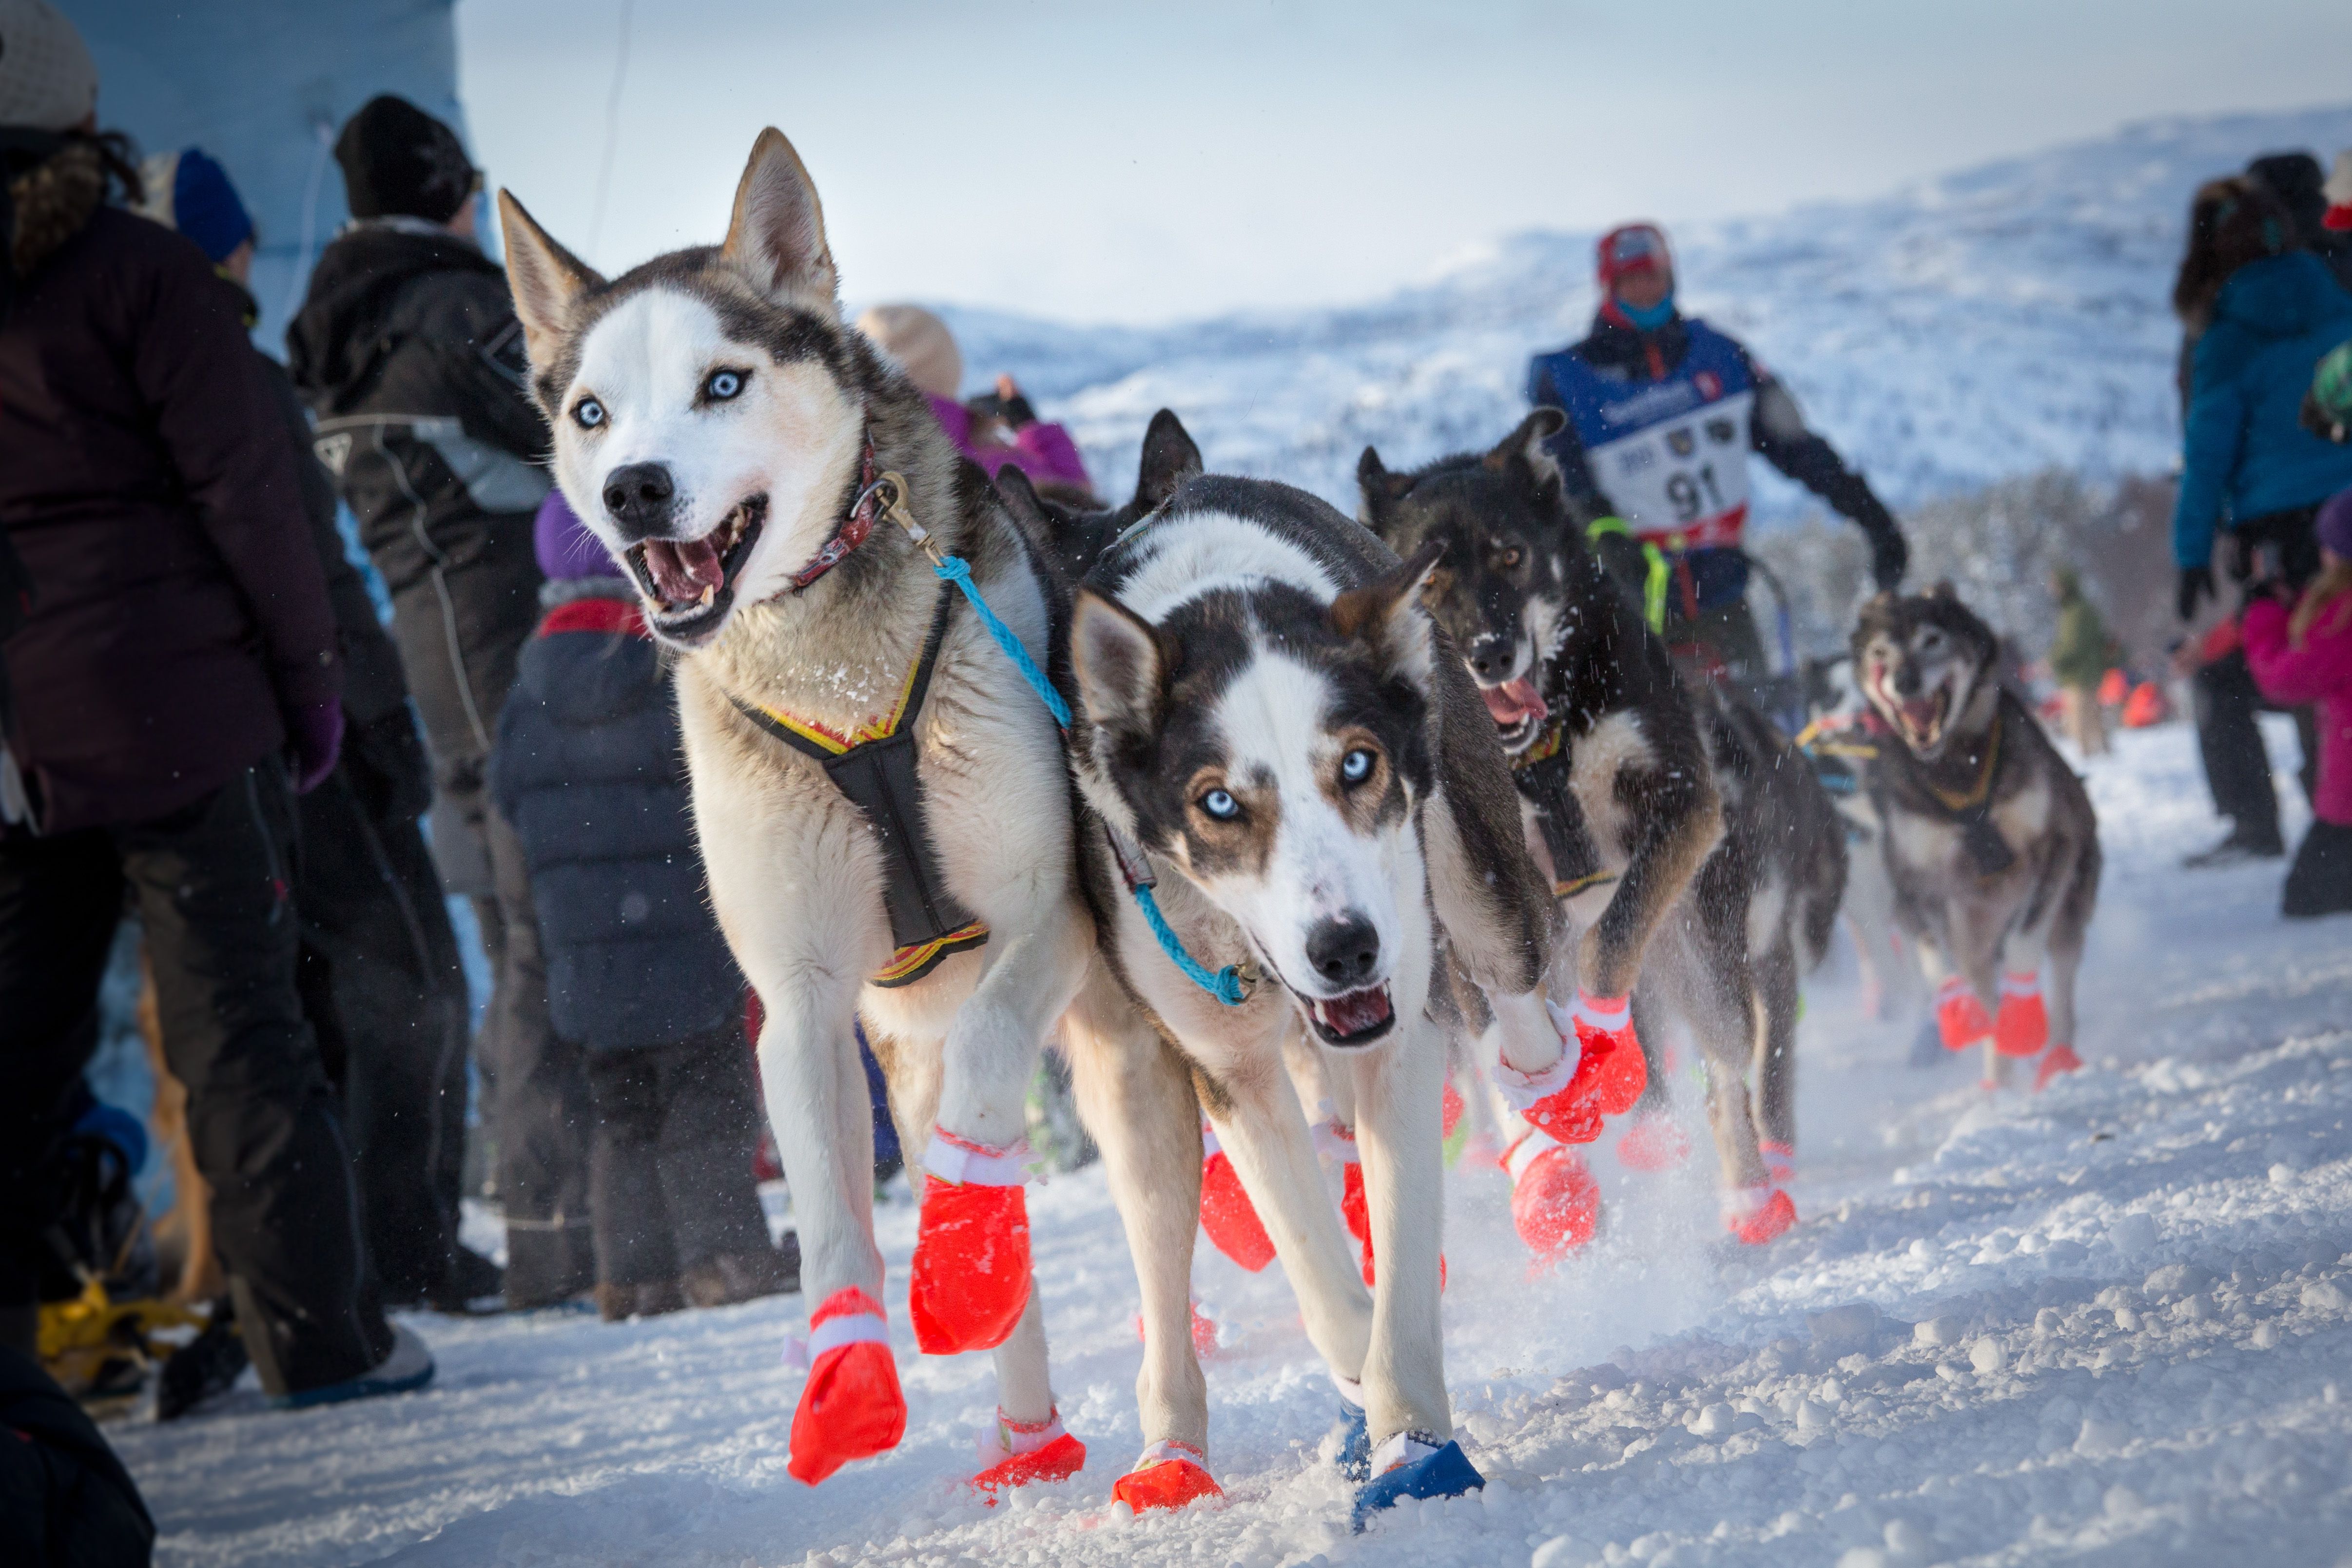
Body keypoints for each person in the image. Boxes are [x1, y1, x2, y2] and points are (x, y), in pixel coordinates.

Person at [0, 3, 428, 1406]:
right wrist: (309, 691)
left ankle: (22, 1363)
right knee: (243, 1032)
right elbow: (255, 503)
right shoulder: (139, 271)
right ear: (77, 111)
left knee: (17, 1047)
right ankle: (319, 1340)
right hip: (180, 717)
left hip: (14, 740)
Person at [140, 145, 491, 1313]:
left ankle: (308, 1265)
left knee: (280, 1006)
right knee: (411, 982)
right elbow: (300, 565)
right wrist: (363, 706)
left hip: (196, 739)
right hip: (312, 721)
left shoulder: (108, 383)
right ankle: (406, 1247)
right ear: (229, 249)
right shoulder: (223, 372)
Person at [289, 95, 596, 1308]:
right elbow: (588, 435)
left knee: (505, 944)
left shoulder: (330, 329)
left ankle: (530, 1218)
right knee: (548, 943)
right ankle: (555, 1232)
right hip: (518, 658)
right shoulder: (461, 309)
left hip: (432, 670)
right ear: (455, 192)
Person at [490, 495, 799, 1321]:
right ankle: (725, 1258)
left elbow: (506, 807)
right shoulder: (675, 667)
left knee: (622, 1118)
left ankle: (633, 1277)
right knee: (709, 1098)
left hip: (584, 961)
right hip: (687, 943)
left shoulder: (523, 692)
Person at [1526, 222, 1908, 683]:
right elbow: (1565, 484)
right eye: (1631, 281)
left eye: (1654, 277)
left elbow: (1797, 447)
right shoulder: (1567, 380)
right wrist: (1610, 544)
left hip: (1723, 592)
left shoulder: (1722, 357)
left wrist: (1872, 516)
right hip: (1632, 606)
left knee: (1763, 739)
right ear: (1609, 288)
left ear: (1671, 278)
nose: (1646, 290)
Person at [2170, 176, 2352, 867]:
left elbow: (2207, 460)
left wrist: (2191, 555)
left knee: (2274, 669)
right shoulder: (2338, 306)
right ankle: (2332, 812)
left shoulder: (2226, 341)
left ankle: (2268, 825)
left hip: (2281, 537)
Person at [855, 304, 1094, 502]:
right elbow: (1076, 506)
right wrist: (1029, 426)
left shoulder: (857, 452)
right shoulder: (990, 462)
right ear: (947, 367)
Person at [2242, 489, 2352, 917]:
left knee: (2305, 902)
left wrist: (2263, 612)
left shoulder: (2342, 615)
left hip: (2347, 805)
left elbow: (2283, 680)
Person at [2048, 565, 2118, 757]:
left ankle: (2089, 761)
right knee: (2094, 719)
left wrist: (2049, 663)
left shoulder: (2075, 612)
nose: (2051, 589)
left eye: (2055, 585)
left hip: (2079, 675)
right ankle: (2104, 757)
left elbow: (2071, 646)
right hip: (2090, 672)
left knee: (2080, 724)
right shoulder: (2083, 608)